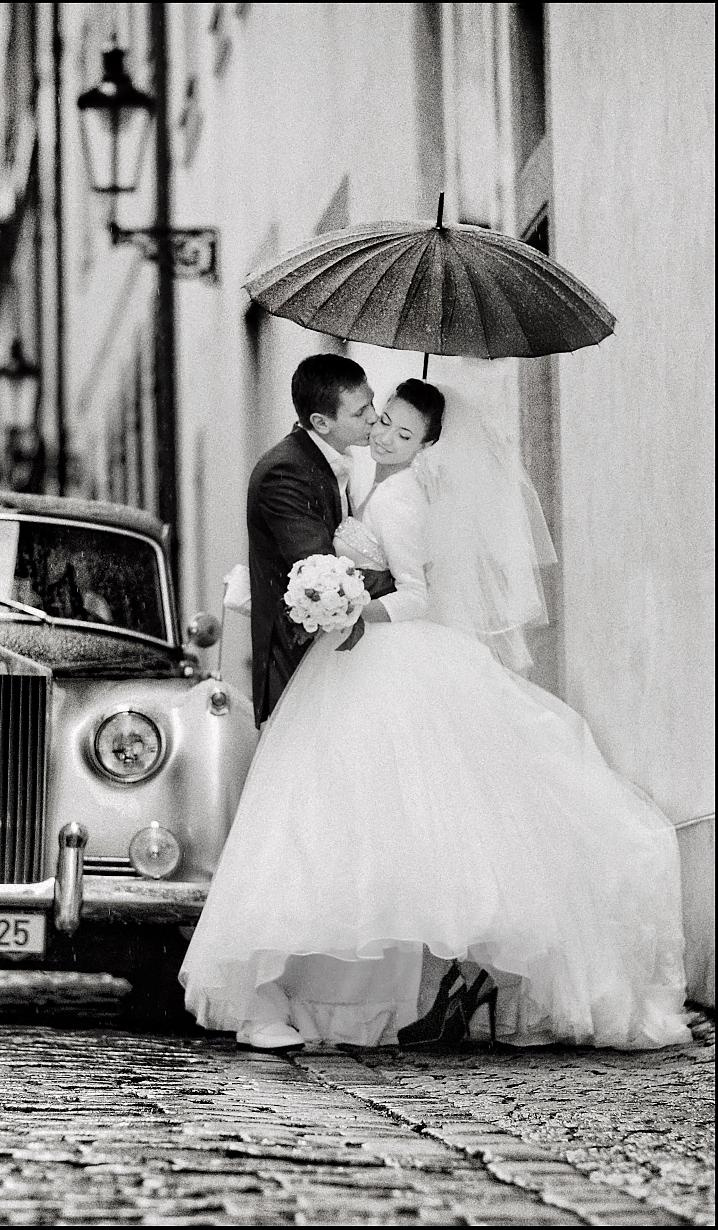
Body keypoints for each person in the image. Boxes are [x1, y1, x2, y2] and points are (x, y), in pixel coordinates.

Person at [180, 378, 691, 1052]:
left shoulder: (395, 499)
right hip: (351, 663)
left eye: (400, 431)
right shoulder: (359, 484)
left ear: (426, 448)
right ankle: (368, 996)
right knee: (361, 826)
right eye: (379, 419)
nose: (383, 433)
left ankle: (389, 991)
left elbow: (418, 593)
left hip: (385, 655)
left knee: (382, 825)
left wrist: (354, 604)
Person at [246, 353, 391, 729]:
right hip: (297, 662)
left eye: (372, 402)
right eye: (360, 412)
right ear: (321, 422)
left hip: (336, 653)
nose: (374, 416)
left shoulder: (331, 459)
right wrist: (402, 582)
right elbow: (321, 572)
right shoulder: (287, 471)